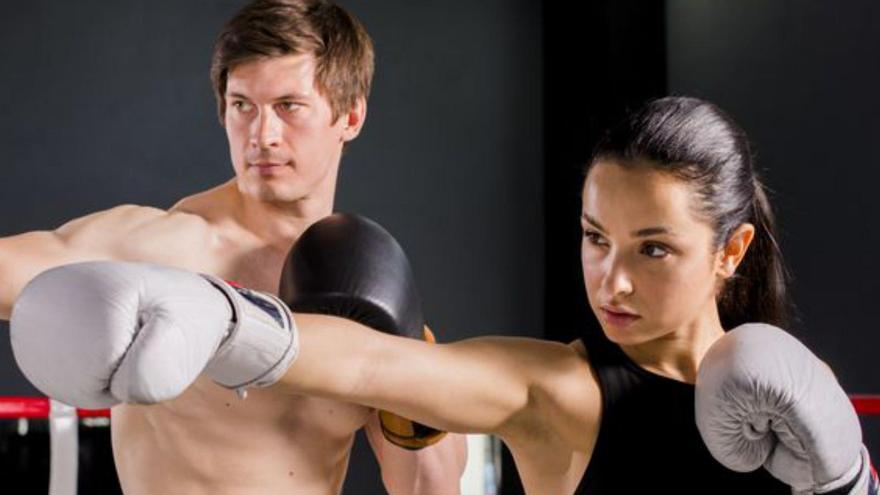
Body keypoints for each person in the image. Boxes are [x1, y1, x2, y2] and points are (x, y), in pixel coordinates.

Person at [10, 97, 877, 493]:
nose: (611, 279)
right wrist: (223, 318)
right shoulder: (557, 392)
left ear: (732, 249)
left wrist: (848, 486)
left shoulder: (796, 387)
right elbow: (382, 361)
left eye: (653, 249)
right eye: (594, 238)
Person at [0, 1, 466, 494]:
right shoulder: (162, 247)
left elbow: (430, 489)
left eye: (289, 106)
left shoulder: (367, 289)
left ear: (350, 116)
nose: (262, 136)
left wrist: (408, 346)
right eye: (243, 105)